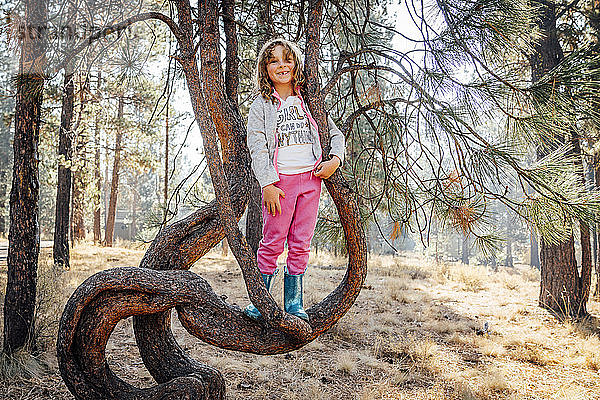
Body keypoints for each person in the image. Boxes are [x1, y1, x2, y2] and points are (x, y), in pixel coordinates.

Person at [244, 38, 345, 321]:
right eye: (273, 60)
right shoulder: (261, 106)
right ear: (265, 68)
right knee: (272, 241)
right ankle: (260, 302)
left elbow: (335, 135)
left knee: (301, 242)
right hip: (280, 186)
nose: (281, 65)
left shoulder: (308, 101)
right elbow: (257, 146)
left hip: (311, 182)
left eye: (287, 59)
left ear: (296, 64)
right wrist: (268, 183)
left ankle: (293, 303)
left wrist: (335, 160)